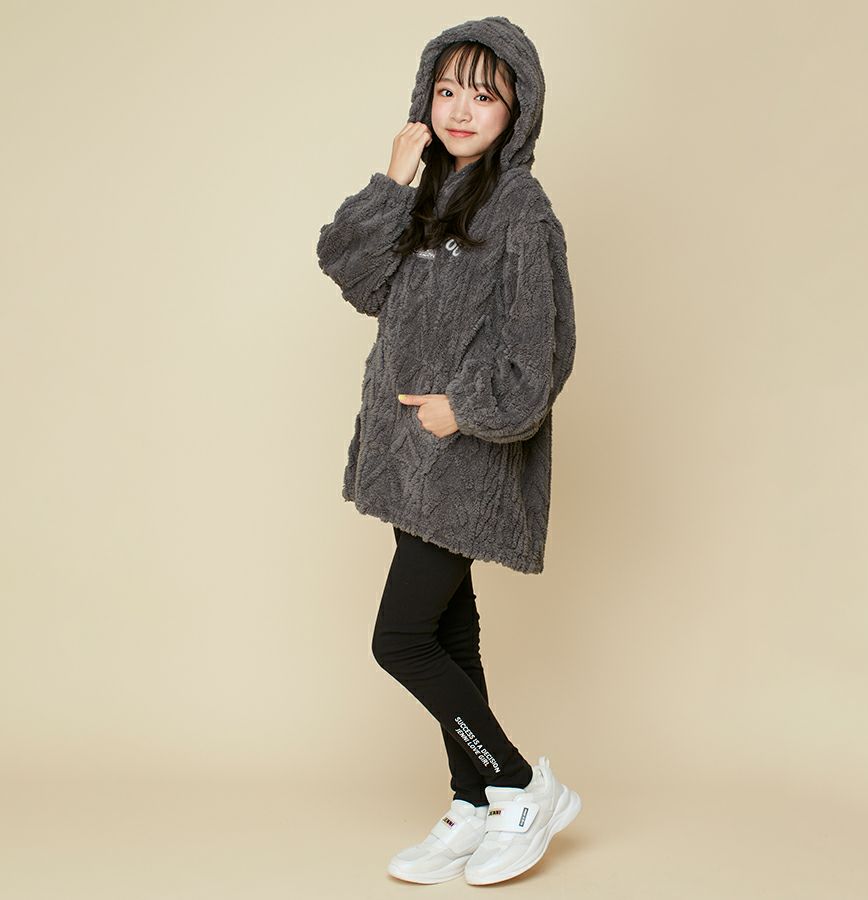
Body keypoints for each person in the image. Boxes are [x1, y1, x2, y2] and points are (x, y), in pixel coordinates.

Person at [316, 15, 580, 886]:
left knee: (401, 640)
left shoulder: (522, 212)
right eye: (447, 90)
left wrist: (460, 409)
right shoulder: (428, 195)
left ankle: (520, 785)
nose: (461, 110)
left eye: (484, 95)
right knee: (448, 633)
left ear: (517, 111)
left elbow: (540, 357)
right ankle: (474, 801)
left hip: (463, 458)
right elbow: (353, 276)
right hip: (410, 461)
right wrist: (392, 182)